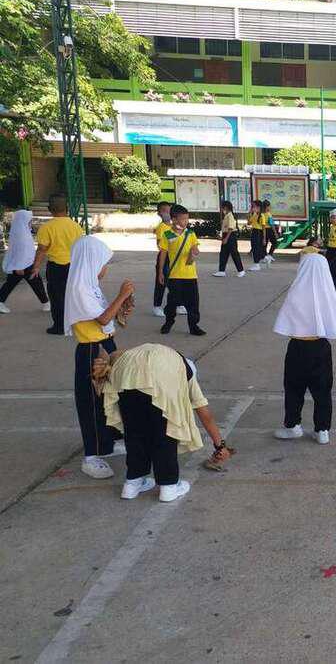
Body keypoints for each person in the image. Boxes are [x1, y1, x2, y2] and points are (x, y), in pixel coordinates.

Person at [93, 343, 233, 501]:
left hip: (125, 376)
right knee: (164, 433)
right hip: (154, 379)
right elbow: (204, 413)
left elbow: (115, 356)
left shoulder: (152, 352)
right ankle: (169, 486)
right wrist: (220, 445)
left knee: (134, 431)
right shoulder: (185, 371)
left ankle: (132, 484)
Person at [64, 235, 133, 479]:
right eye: (104, 263)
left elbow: (106, 317)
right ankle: (91, 456)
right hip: (92, 351)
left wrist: (122, 307)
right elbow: (103, 319)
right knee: (91, 402)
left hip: (105, 345)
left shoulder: (90, 285)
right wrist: (122, 295)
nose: (105, 269)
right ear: (92, 262)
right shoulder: (80, 288)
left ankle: (107, 443)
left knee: (108, 398)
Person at [273, 252, 336, 446]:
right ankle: (322, 430)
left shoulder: (297, 290)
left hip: (298, 347)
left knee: (293, 388)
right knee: (322, 390)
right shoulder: (327, 291)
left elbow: (286, 320)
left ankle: (293, 426)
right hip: (321, 347)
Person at [31, 193, 83, 334]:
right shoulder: (76, 227)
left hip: (55, 267)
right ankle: (75, 325)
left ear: (50, 209)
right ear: (67, 208)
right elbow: (80, 247)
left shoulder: (47, 227)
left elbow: (42, 249)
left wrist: (36, 267)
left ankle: (60, 327)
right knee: (72, 295)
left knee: (56, 297)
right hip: (73, 266)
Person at [158, 204, 205, 336]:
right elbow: (163, 254)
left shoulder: (190, 234)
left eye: (187, 219)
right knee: (172, 301)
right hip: (175, 275)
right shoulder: (167, 234)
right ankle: (169, 322)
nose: (186, 222)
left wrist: (194, 252)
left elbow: (195, 249)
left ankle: (193, 326)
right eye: (183, 219)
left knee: (193, 302)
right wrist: (160, 272)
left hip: (190, 275)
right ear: (174, 219)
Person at [0, 209, 50, 314]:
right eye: (29, 220)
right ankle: (46, 303)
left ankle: (46, 303)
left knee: (16, 283)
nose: (30, 222)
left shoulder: (21, 230)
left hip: (25, 263)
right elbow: (19, 250)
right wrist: (19, 266)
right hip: (22, 265)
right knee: (34, 282)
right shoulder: (21, 233)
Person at [212, 200, 245, 278]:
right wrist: (222, 237)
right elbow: (225, 228)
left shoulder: (230, 216)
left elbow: (230, 228)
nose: (222, 210)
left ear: (226, 207)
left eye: (223, 208)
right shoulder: (227, 216)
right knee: (223, 253)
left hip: (230, 236)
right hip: (226, 235)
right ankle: (221, 271)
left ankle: (241, 270)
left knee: (234, 253)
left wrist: (226, 238)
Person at [152, 202, 172, 317]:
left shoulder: (174, 225)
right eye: (164, 211)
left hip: (174, 257)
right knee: (161, 281)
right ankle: (157, 306)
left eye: (169, 210)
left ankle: (178, 304)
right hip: (165, 257)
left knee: (175, 282)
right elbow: (160, 245)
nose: (167, 213)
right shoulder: (162, 227)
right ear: (159, 213)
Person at [247, 200, 265, 271]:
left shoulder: (262, 215)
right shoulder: (254, 214)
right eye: (252, 206)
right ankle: (258, 262)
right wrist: (249, 214)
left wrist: (264, 238)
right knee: (253, 248)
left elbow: (263, 228)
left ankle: (257, 264)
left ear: (258, 207)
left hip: (258, 232)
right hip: (254, 231)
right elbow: (249, 223)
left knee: (256, 248)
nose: (252, 208)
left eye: (254, 206)